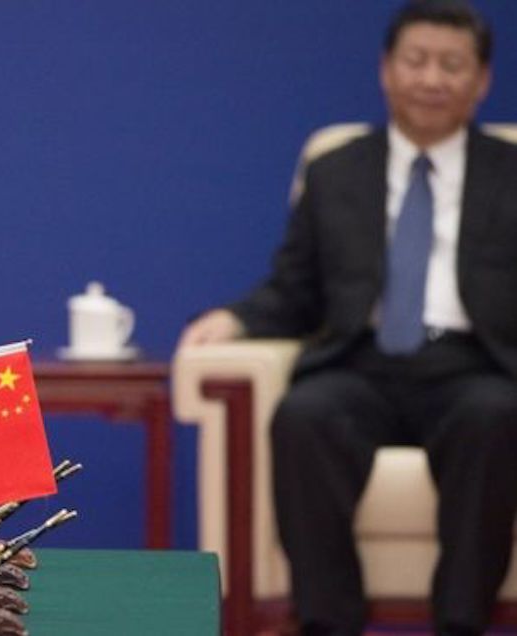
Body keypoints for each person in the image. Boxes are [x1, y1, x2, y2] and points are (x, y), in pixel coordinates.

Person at [178, 1, 517, 634]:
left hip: (474, 366)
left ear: (482, 82)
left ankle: (461, 620)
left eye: (452, 64)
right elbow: (296, 288)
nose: (432, 79)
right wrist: (238, 319)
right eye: (416, 61)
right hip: (362, 361)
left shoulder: (510, 173)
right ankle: (329, 620)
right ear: (387, 70)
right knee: (305, 415)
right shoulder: (336, 170)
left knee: (496, 416)